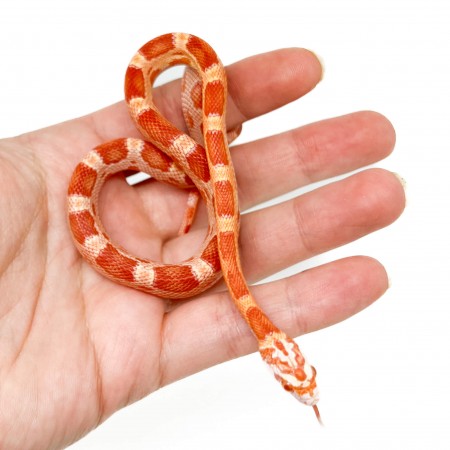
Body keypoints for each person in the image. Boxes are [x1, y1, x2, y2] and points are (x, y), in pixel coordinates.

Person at [0, 46, 404, 448]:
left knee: (202, 174)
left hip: (195, 137)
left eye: (294, 381)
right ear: (282, 349)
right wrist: (200, 168)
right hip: (168, 137)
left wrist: (201, 172)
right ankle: (197, 159)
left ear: (280, 351)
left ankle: (198, 160)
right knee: (195, 168)